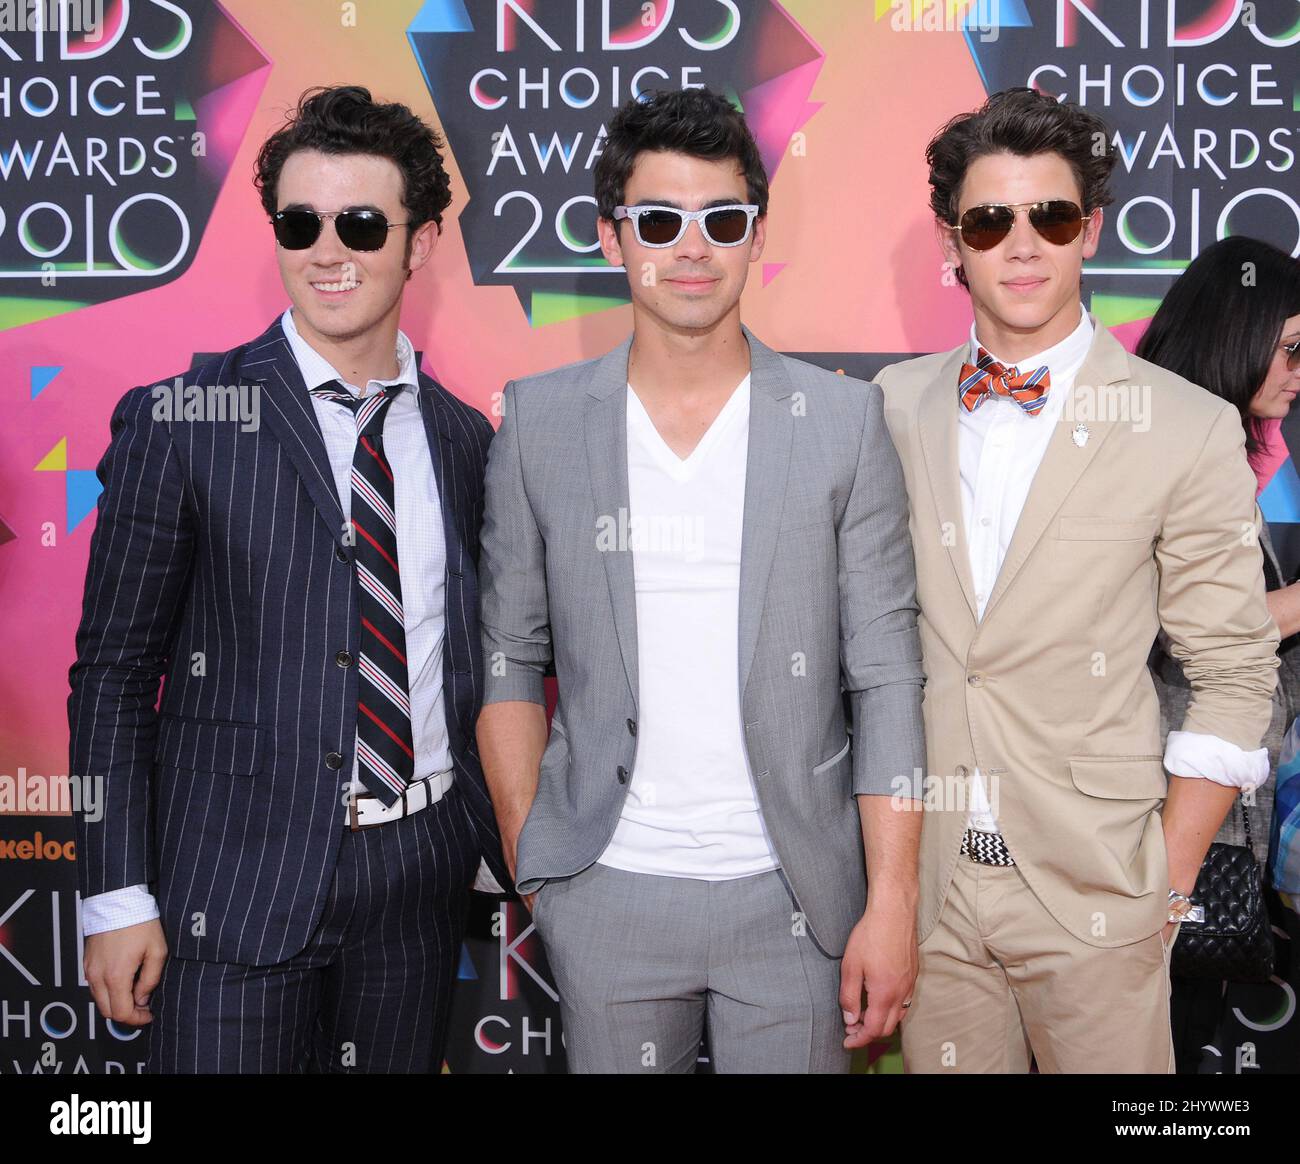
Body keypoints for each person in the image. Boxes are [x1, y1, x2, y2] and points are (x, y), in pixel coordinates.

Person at [476, 86, 927, 1073]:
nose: (692, 247)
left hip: (796, 897)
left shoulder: (841, 424)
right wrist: (537, 866)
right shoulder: (539, 426)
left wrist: (888, 902)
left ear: (755, 237)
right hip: (606, 893)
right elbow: (509, 663)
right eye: (659, 221)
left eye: (721, 220)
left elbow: (887, 676)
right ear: (610, 237)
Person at [68, 85, 511, 1073]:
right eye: (299, 222)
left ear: (422, 240)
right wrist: (115, 893)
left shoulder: (460, 438)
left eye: (360, 222)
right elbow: (109, 676)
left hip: (417, 876)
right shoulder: (183, 419)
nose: (327, 249)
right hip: (229, 880)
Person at [876, 87, 1280, 1073]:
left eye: (1049, 217)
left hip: (1099, 887)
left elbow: (1231, 673)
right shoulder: (888, 406)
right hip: (930, 892)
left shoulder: (1182, 425)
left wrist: (1166, 879)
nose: (1021, 246)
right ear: (951, 241)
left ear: (1088, 229)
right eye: (988, 220)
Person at [1136, 235, 1300, 1072]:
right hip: (1160, 809)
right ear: (1239, 331)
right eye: (1291, 347)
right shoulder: (1164, 444)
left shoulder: (1233, 449)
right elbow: (1171, 626)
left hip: (1213, 805)